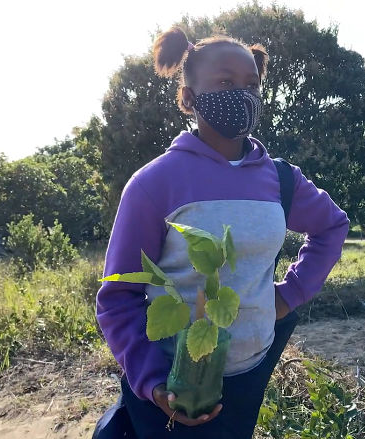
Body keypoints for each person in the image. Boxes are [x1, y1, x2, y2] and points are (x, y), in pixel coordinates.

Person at [91, 28, 349, 439]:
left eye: (251, 85)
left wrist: (289, 295)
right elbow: (118, 296)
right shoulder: (155, 183)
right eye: (225, 83)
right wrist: (154, 383)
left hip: (250, 373)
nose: (242, 94)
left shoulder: (281, 180)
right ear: (189, 98)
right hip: (175, 386)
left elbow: (333, 226)